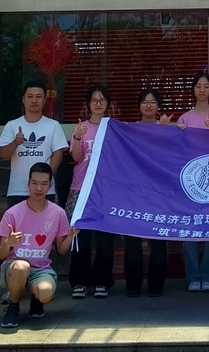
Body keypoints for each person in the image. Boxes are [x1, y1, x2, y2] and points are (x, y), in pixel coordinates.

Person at [0, 80, 68, 304]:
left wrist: (44, 181)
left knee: (45, 239)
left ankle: (40, 282)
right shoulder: (13, 125)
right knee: (15, 239)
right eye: (30, 96)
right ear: (23, 99)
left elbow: (58, 153)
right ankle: (14, 284)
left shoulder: (52, 126)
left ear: (45, 100)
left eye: (38, 96)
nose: (34, 101)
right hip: (18, 190)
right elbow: (3, 154)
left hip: (45, 192)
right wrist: (16, 143)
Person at [0, 162, 78, 328]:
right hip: (14, 268)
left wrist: (71, 236)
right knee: (21, 267)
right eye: (34, 183)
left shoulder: (58, 213)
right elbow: (1, 255)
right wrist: (8, 244)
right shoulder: (13, 213)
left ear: (50, 185)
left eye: (44, 184)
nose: (39, 188)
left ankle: (36, 299)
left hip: (41, 270)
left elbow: (62, 250)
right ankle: (13, 306)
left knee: (45, 292)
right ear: (28, 184)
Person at [176, 72, 209, 292]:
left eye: (206, 86)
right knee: (190, 230)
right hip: (190, 182)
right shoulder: (184, 119)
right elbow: (177, 150)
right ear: (193, 89)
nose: (202, 90)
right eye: (198, 86)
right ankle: (193, 275)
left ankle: (208, 274)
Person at [67, 85, 116, 299]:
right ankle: (80, 281)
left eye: (102, 99)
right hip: (81, 188)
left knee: (105, 238)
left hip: (106, 190)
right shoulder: (81, 128)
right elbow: (76, 158)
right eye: (94, 100)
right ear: (88, 104)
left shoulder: (113, 127)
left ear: (107, 103)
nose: (98, 103)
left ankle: (102, 282)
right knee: (80, 237)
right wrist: (77, 138)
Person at [123, 87, 171, 297]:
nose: (149, 105)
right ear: (139, 106)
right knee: (133, 239)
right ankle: (133, 285)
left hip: (159, 191)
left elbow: (173, 155)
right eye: (144, 101)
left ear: (158, 106)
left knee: (158, 238)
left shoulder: (166, 128)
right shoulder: (129, 129)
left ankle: (156, 285)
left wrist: (167, 131)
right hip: (134, 191)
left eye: (152, 102)